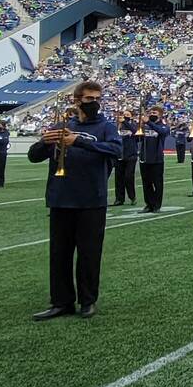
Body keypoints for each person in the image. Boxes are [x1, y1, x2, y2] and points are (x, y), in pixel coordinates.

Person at [25, 81, 122, 320]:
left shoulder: (106, 127)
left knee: (89, 254)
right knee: (59, 254)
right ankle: (61, 301)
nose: (95, 103)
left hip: (91, 198)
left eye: (98, 98)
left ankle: (88, 300)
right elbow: (33, 157)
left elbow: (116, 151)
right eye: (90, 99)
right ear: (77, 100)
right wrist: (44, 142)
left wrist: (78, 141)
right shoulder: (62, 124)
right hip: (61, 197)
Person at [135, 105, 168, 212]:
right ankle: (149, 204)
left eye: (155, 113)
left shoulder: (163, 126)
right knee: (146, 183)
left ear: (160, 115)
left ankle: (157, 205)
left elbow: (162, 132)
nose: (152, 114)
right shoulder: (145, 126)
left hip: (157, 159)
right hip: (144, 158)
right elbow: (138, 139)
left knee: (157, 183)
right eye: (151, 113)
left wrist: (149, 122)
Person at [113, 111, 139, 206]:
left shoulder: (134, 125)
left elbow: (136, 133)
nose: (125, 116)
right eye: (124, 115)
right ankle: (119, 199)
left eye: (127, 115)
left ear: (131, 117)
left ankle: (132, 197)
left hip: (131, 155)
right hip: (120, 155)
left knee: (128, 177)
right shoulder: (117, 126)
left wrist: (125, 122)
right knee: (118, 178)